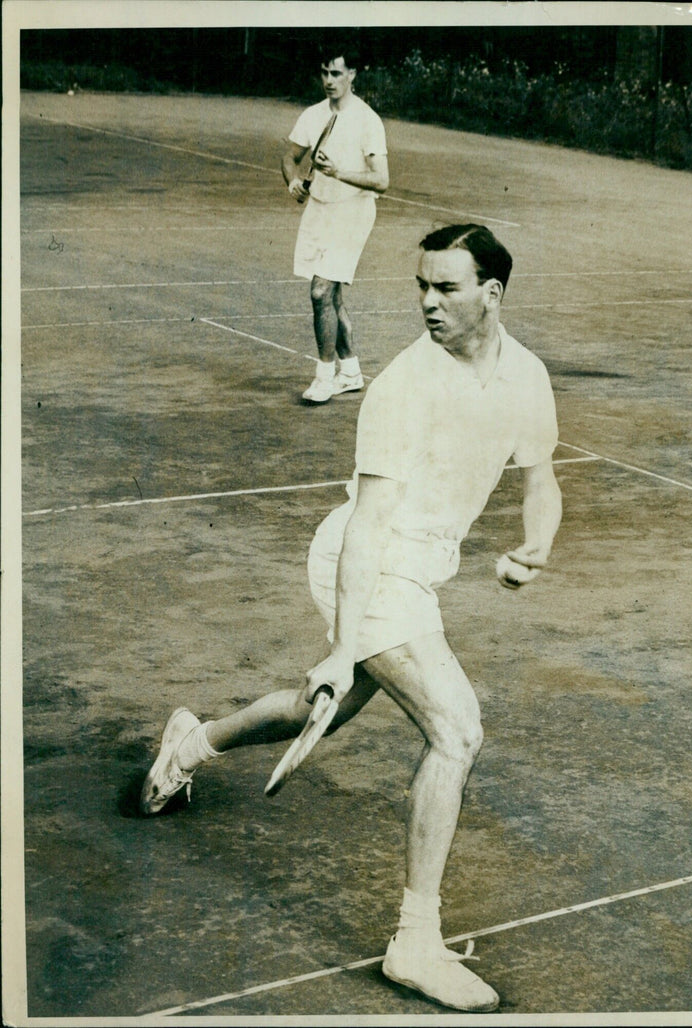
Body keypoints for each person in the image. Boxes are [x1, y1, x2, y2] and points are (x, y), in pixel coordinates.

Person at [140, 224, 562, 1013]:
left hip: (417, 574)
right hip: (364, 567)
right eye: (422, 288)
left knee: (317, 715)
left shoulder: (527, 377)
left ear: (491, 293)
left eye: (446, 288)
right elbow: (367, 526)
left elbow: (541, 477)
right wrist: (343, 644)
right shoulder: (404, 384)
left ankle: (188, 744)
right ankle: (415, 941)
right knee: (456, 730)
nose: (427, 303)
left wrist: (536, 542)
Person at [281, 47, 389, 404]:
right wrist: (293, 181)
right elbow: (290, 156)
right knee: (332, 296)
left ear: (352, 75)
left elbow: (382, 180)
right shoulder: (312, 115)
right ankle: (352, 371)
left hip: (353, 213)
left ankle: (324, 377)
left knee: (320, 292)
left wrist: (336, 172)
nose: (329, 81)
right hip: (319, 210)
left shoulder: (368, 120)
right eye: (325, 73)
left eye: (336, 74)